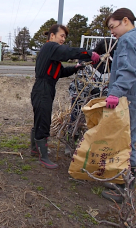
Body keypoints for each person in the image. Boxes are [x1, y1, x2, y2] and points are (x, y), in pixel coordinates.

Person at [101, 8, 136, 203]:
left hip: (127, 100)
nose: (112, 32)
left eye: (112, 27)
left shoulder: (127, 40)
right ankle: (123, 180)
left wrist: (115, 93)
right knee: (129, 140)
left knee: (124, 142)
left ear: (125, 20)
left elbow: (127, 71)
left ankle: (124, 188)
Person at [30, 24, 100, 169]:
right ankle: (43, 156)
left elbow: (60, 72)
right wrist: (88, 53)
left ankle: (35, 149)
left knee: (40, 117)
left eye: (64, 37)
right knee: (43, 120)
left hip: (46, 88)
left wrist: (75, 69)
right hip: (42, 88)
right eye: (61, 36)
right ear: (52, 36)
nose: (63, 39)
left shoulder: (51, 53)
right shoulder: (50, 47)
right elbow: (68, 52)